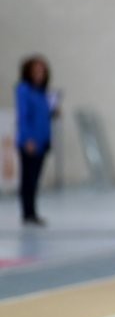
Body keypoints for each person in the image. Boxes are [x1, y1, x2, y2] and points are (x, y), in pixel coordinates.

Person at [15, 56, 54, 226]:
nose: (40, 74)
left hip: (42, 140)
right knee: (28, 179)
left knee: (35, 179)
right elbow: (23, 117)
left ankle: (32, 212)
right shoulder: (24, 90)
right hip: (30, 142)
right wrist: (27, 139)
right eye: (36, 70)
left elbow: (43, 116)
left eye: (42, 71)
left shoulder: (42, 92)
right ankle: (27, 213)